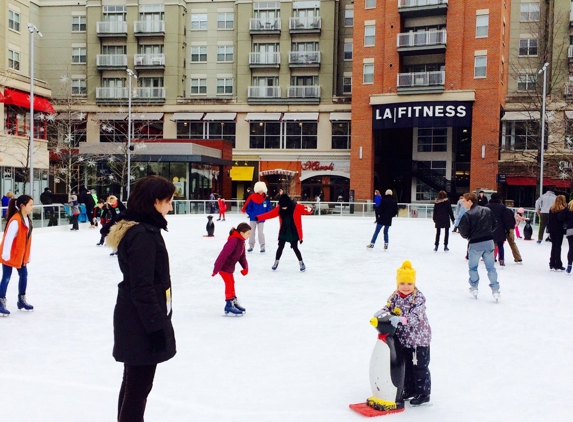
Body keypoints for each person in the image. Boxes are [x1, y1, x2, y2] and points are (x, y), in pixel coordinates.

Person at [105, 175, 177, 422]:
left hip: (137, 318)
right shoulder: (143, 235)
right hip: (141, 322)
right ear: (156, 201)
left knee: (133, 383)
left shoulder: (142, 230)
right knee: (138, 388)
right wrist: (156, 328)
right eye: (168, 201)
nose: (170, 206)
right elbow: (142, 287)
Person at [374, 260, 431, 406]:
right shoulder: (395, 297)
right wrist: (382, 312)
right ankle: (410, 389)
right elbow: (388, 307)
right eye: (403, 283)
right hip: (404, 340)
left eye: (409, 284)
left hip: (419, 341)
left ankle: (423, 393)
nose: (406, 287)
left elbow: (415, 317)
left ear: (414, 284)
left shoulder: (418, 299)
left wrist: (401, 319)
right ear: (398, 284)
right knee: (407, 367)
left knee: (419, 368)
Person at [458, 192, 500, 301]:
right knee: (491, 268)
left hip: (475, 243)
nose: (463, 203)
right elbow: (495, 224)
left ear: (470, 201)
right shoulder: (487, 210)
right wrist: (488, 233)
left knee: (473, 267)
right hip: (489, 242)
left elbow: (463, 231)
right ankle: (495, 289)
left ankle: (474, 287)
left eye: (464, 201)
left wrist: (470, 236)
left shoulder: (468, 214)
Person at [256, 194, 313, 272]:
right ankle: (276, 262)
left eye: (285, 206)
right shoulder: (279, 208)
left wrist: (310, 209)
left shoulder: (296, 207)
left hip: (294, 231)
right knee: (280, 246)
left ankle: (301, 263)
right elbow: (270, 214)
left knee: (295, 247)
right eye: (282, 206)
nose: (283, 208)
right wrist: (258, 217)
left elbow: (307, 210)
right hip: (284, 230)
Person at [0, 195, 35, 316]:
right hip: (10, 255)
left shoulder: (27, 219)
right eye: (30, 205)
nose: (32, 207)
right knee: (6, 277)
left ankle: (21, 300)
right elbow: (8, 238)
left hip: (21, 255)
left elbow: (26, 240)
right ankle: (1, 301)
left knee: (24, 275)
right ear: (22, 205)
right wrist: (5, 253)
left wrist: (27, 255)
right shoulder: (16, 220)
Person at [212, 223, 250, 316]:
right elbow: (223, 254)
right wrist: (216, 269)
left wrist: (245, 267)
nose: (249, 235)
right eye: (248, 233)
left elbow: (242, 257)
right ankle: (229, 304)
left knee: (232, 283)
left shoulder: (241, 242)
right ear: (241, 233)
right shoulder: (233, 241)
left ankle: (233, 301)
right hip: (223, 267)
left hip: (230, 267)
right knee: (229, 283)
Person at [241, 181, 272, 253]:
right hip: (253, 218)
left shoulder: (266, 199)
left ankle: (262, 246)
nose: (261, 191)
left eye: (262, 189)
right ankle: (251, 246)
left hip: (261, 218)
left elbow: (268, 208)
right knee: (251, 232)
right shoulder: (252, 198)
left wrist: (265, 215)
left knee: (260, 232)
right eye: (259, 189)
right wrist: (252, 215)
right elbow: (248, 209)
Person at [485, 193, 509, 267]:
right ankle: (501, 259)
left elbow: (485, 218)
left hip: (489, 227)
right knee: (500, 245)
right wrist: (507, 229)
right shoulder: (502, 207)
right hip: (500, 227)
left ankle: (490, 259)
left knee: (490, 245)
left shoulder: (487, 206)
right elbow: (505, 218)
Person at [547, 195, 567, 271]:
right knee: (558, 246)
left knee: (553, 246)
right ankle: (558, 264)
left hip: (552, 229)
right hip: (559, 230)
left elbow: (550, 220)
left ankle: (552, 262)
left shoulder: (551, 209)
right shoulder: (563, 210)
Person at [559, 200, 573, 274]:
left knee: (571, 248)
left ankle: (569, 264)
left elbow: (560, 216)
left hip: (570, 229)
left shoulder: (568, 209)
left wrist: (566, 221)